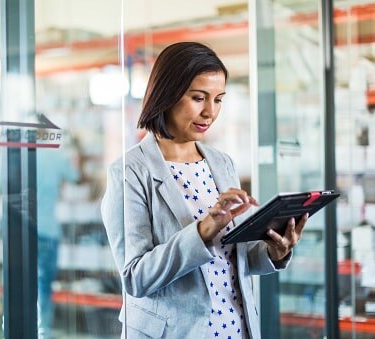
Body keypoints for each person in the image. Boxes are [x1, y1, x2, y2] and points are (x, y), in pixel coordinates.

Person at [100, 42, 309, 338]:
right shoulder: (129, 171)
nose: (210, 112)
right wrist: (203, 230)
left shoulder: (221, 163)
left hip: (236, 328)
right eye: (198, 98)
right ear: (168, 93)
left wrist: (273, 252)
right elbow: (136, 277)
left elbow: (231, 258)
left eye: (219, 99)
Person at [36, 144, 80, 338]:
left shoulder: (11, 154)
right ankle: (43, 331)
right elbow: (75, 177)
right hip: (46, 229)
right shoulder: (55, 156)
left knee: (19, 283)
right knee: (44, 284)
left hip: (19, 233)